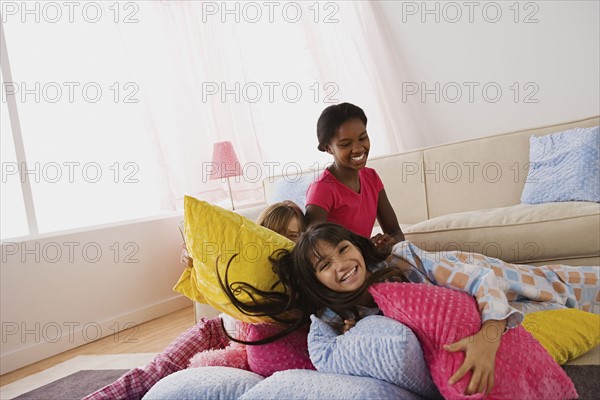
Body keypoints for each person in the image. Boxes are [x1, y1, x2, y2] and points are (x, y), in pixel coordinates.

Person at [221, 222, 599, 396]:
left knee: (559, 287)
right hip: (467, 305)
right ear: (316, 281)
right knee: (545, 310)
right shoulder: (333, 320)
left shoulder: (404, 260)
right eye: (324, 265)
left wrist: (488, 338)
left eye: (343, 249)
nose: (340, 263)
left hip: (470, 274)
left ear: (356, 246)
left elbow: (482, 282)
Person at [84, 201, 305, 400]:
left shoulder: (305, 273)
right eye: (275, 234)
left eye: (292, 235)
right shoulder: (244, 259)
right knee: (155, 372)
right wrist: (194, 259)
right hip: (218, 330)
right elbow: (213, 265)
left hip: (254, 347)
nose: (282, 242)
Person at [304, 103, 405, 253]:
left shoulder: (371, 177)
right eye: (345, 144)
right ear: (328, 148)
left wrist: (387, 243)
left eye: (363, 138)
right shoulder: (322, 189)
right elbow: (314, 251)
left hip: (369, 261)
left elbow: (396, 232)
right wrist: (368, 250)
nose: (358, 149)